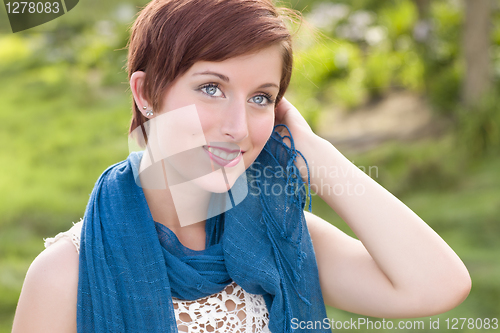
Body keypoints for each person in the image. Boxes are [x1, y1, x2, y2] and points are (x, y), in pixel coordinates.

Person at [12, 0, 471, 332]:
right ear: (146, 93)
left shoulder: (278, 232)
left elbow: (436, 286)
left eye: (261, 98)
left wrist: (314, 154)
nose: (238, 127)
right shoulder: (64, 276)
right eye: (212, 87)